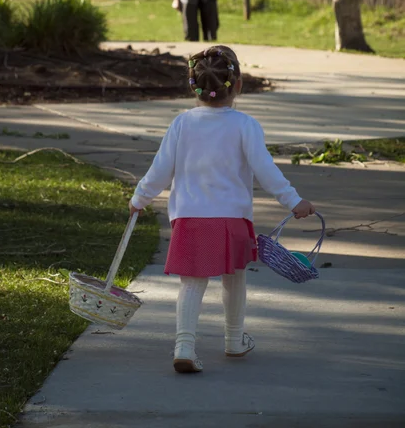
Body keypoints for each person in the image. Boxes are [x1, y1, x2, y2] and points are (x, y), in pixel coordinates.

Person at [129, 46, 315, 373]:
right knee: (235, 276)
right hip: (232, 218)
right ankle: (233, 339)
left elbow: (160, 170)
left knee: (192, 282)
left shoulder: (182, 124)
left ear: (193, 87)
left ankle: (185, 345)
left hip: (191, 218)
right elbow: (266, 170)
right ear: (238, 85)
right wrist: (293, 201)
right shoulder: (245, 125)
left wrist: (139, 199)